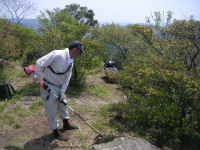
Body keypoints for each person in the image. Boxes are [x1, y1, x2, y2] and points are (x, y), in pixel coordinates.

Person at [34, 41, 85, 141]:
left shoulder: (71, 60)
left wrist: (62, 91)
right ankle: (55, 132)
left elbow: (67, 77)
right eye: (79, 52)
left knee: (63, 104)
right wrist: (39, 80)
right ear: (74, 50)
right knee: (51, 109)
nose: (79, 55)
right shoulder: (57, 54)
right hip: (48, 86)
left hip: (60, 87)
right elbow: (39, 63)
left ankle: (66, 124)